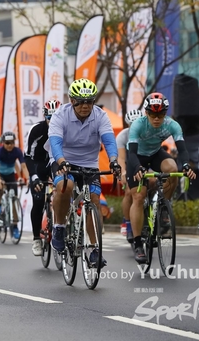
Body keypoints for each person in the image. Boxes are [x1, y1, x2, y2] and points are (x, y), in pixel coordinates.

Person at [48, 79, 121, 267]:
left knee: (94, 200)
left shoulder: (100, 116)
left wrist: (114, 161)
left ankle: (94, 249)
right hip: (63, 160)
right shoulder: (60, 115)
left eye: (89, 101)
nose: (85, 106)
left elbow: (109, 140)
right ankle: (59, 227)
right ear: (72, 101)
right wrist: (61, 161)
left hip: (89, 164)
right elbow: (55, 143)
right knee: (65, 186)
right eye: (81, 102)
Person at [127, 93, 196, 263]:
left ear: (165, 113)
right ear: (146, 112)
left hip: (155, 154)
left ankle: (163, 205)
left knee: (172, 169)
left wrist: (186, 166)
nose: (157, 118)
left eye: (161, 114)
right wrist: (138, 168)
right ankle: (138, 244)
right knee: (138, 196)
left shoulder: (172, 125)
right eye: (152, 114)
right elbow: (132, 153)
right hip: (137, 158)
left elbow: (182, 150)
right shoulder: (138, 125)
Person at [24, 99, 60, 256]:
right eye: (49, 117)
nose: (52, 121)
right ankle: (36, 239)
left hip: (55, 163)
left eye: (55, 117)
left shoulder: (65, 128)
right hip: (38, 165)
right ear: (44, 116)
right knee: (38, 200)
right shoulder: (37, 130)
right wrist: (33, 176)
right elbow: (28, 156)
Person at [0, 131, 29, 240]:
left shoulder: (17, 151)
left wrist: (27, 178)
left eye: (12, 143)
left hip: (10, 175)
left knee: (14, 202)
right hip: (0, 174)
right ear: (3, 143)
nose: (10, 145)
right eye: (7, 143)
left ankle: (15, 227)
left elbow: (23, 166)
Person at [116, 109, 145, 243]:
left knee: (153, 182)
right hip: (129, 164)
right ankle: (128, 223)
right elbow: (122, 158)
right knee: (129, 191)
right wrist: (123, 172)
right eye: (132, 124)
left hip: (144, 162)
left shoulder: (148, 133)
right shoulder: (123, 136)